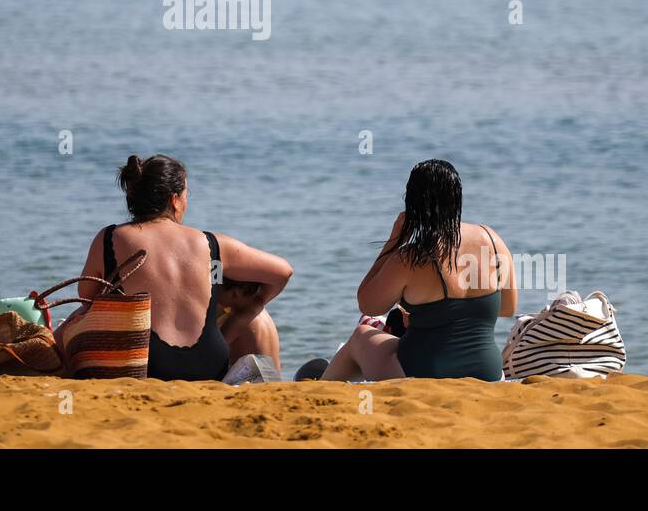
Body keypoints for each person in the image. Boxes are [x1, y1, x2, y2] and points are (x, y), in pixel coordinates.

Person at [74, 154, 292, 381]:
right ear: (174, 199)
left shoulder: (109, 237)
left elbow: (86, 297)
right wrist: (251, 307)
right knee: (259, 319)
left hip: (146, 364)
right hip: (208, 363)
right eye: (187, 194)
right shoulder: (211, 243)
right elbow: (283, 272)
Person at [320, 159, 516, 382]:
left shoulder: (409, 258)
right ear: (457, 198)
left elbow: (369, 305)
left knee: (362, 336)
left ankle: (322, 386)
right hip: (487, 372)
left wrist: (394, 241)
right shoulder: (491, 239)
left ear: (413, 205)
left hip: (422, 372)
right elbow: (507, 308)